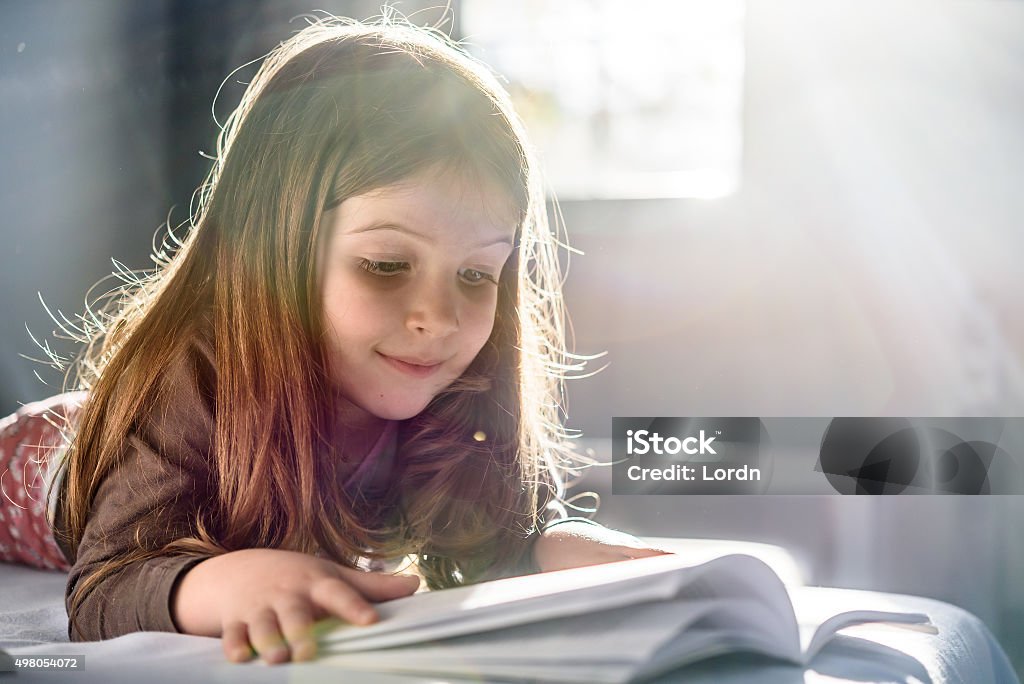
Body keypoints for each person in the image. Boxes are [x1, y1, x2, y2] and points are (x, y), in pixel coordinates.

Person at [5, 15, 669, 665]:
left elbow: (499, 533)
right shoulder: (187, 378)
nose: (438, 318)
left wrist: (556, 544)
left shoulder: (453, 382)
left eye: (475, 274)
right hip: (44, 452)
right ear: (274, 253)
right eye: (385, 265)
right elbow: (105, 590)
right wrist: (223, 582)